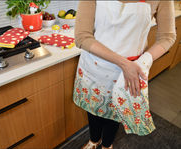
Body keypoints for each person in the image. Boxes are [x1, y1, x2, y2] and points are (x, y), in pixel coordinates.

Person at [73, 1, 176, 149]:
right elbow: (82, 36)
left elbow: (167, 36)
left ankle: (107, 145)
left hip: (130, 71)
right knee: (93, 107)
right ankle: (94, 140)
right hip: (95, 65)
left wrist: (143, 61)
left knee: (116, 112)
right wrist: (124, 63)